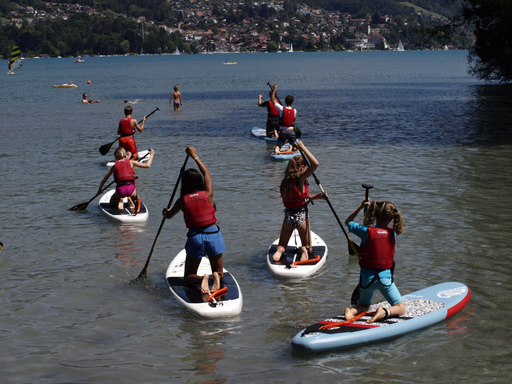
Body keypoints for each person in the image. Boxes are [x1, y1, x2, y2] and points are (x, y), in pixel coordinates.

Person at [162, 147, 225, 294]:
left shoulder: (182, 201)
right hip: (213, 234)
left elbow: (169, 216)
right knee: (219, 272)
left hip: (196, 238)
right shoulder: (208, 194)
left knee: (188, 277)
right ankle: (216, 277)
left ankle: (202, 278)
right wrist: (194, 156)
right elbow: (206, 173)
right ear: (199, 182)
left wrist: (165, 212)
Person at [344, 199, 406, 323]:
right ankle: (384, 311)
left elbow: (348, 222)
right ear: (392, 218)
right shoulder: (392, 233)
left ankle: (351, 312)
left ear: (375, 214)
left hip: (366, 279)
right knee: (401, 308)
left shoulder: (366, 231)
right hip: (385, 279)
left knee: (364, 305)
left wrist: (361, 207)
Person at [272, 141, 327, 263]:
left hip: (288, 216)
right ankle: (304, 250)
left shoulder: (285, 181)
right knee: (308, 247)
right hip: (302, 216)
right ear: (302, 167)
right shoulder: (300, 179)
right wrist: (302, 147)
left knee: (282, 245)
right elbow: (315, 164)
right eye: (306, 169)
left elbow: (298, 199)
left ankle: (279, 252)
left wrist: (317, 197)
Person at [98, 147, 154, 213]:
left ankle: (120, 202)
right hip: (131, 190)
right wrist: (152, 154)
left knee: (112, 203)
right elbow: (147, 165)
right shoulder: (131, 162)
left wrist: (100, 189)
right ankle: (132, 204)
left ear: (116, 155)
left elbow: (104, 179)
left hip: (120, 191)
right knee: (137, 198)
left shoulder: (114, 166)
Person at [273, 88, 298, 154]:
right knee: (294, 144)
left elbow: (273, 100)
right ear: (292, 102)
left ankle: (277, 150)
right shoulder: (295, 111)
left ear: (285, 102)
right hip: (291, 132)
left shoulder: (281, 109)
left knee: (278, 145)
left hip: (282, 132)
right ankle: (291, 148)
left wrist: (274, 89)